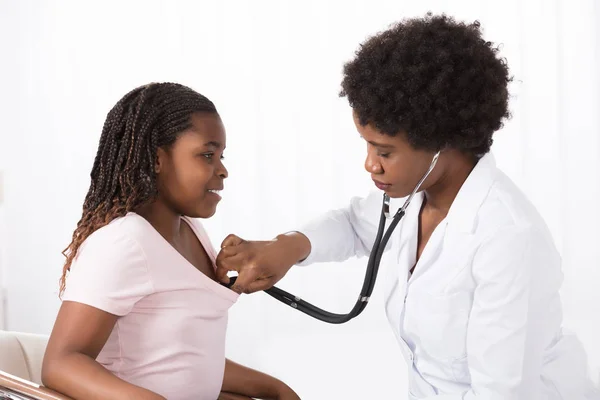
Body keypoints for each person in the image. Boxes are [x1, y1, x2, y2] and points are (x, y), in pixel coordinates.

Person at [215, 13, 600, 399]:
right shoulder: (416, 196)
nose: (370, 164)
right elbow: (353, 224)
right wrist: (287, 247)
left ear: (443, 143)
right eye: (366, 145)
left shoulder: (507, 239)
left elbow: (500, 391)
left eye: (384, 151)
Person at [41, 83, 301, 400]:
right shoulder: (124, 242)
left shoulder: (191, 230)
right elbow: (62, 363)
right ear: (156, 159)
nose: (223, 170)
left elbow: (185, 357)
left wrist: (273, 388)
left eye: (221, 156)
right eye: (207, 155)